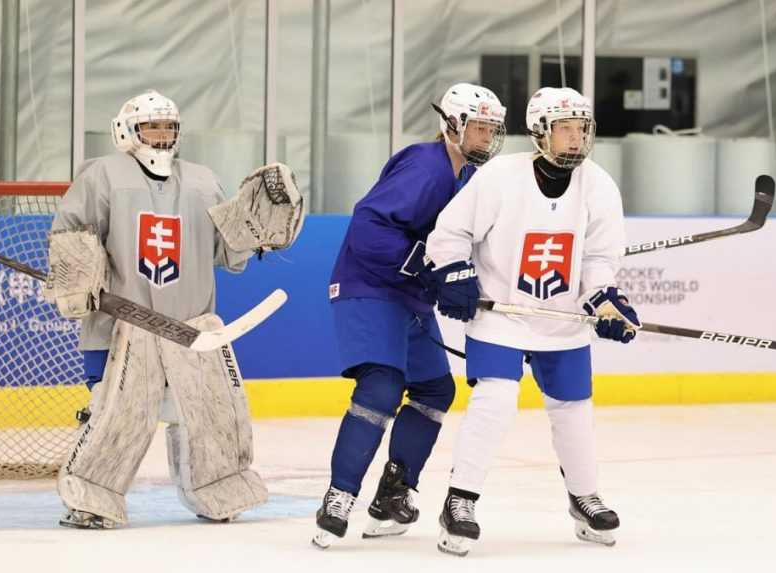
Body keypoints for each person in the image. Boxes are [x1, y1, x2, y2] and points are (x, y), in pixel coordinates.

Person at [44, 89, 304, 529]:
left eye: (169, 126)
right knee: (115, 415)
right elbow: (69, 235)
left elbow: (228, 249)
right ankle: (92, 499)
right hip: (122, 324)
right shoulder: (101, 176)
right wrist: (78, 268)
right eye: (152, 126)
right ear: (127, 131)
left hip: (191, 326)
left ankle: (217, 491)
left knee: (206, 413)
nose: (161, 135)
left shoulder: (203, 181)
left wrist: (256, 228)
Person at [424, 87, 639, 556]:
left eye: (582, 128)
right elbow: (449, 233)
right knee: (495, 399)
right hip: (501, 315)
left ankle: (584, 497)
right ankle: (459, 501)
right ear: (540, 132)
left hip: (562, 322)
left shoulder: (598, 184)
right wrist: (456, 273)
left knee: (574, 411)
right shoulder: (501, 176)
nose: (576, 138)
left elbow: (600, 257)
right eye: (565, 129)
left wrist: (603, 300)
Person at [313, 83, 507, 548]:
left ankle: (393, 495)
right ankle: (338, 496)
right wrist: (431, 270)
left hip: (407, 295)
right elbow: (369, 226)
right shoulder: (425, 165)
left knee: (435, 389)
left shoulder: (465, 178)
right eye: (478, 127)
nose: (485, 137)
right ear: (452, 125)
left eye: (492, 129)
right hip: (369, 286)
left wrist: (459, 276)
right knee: (381, 384)